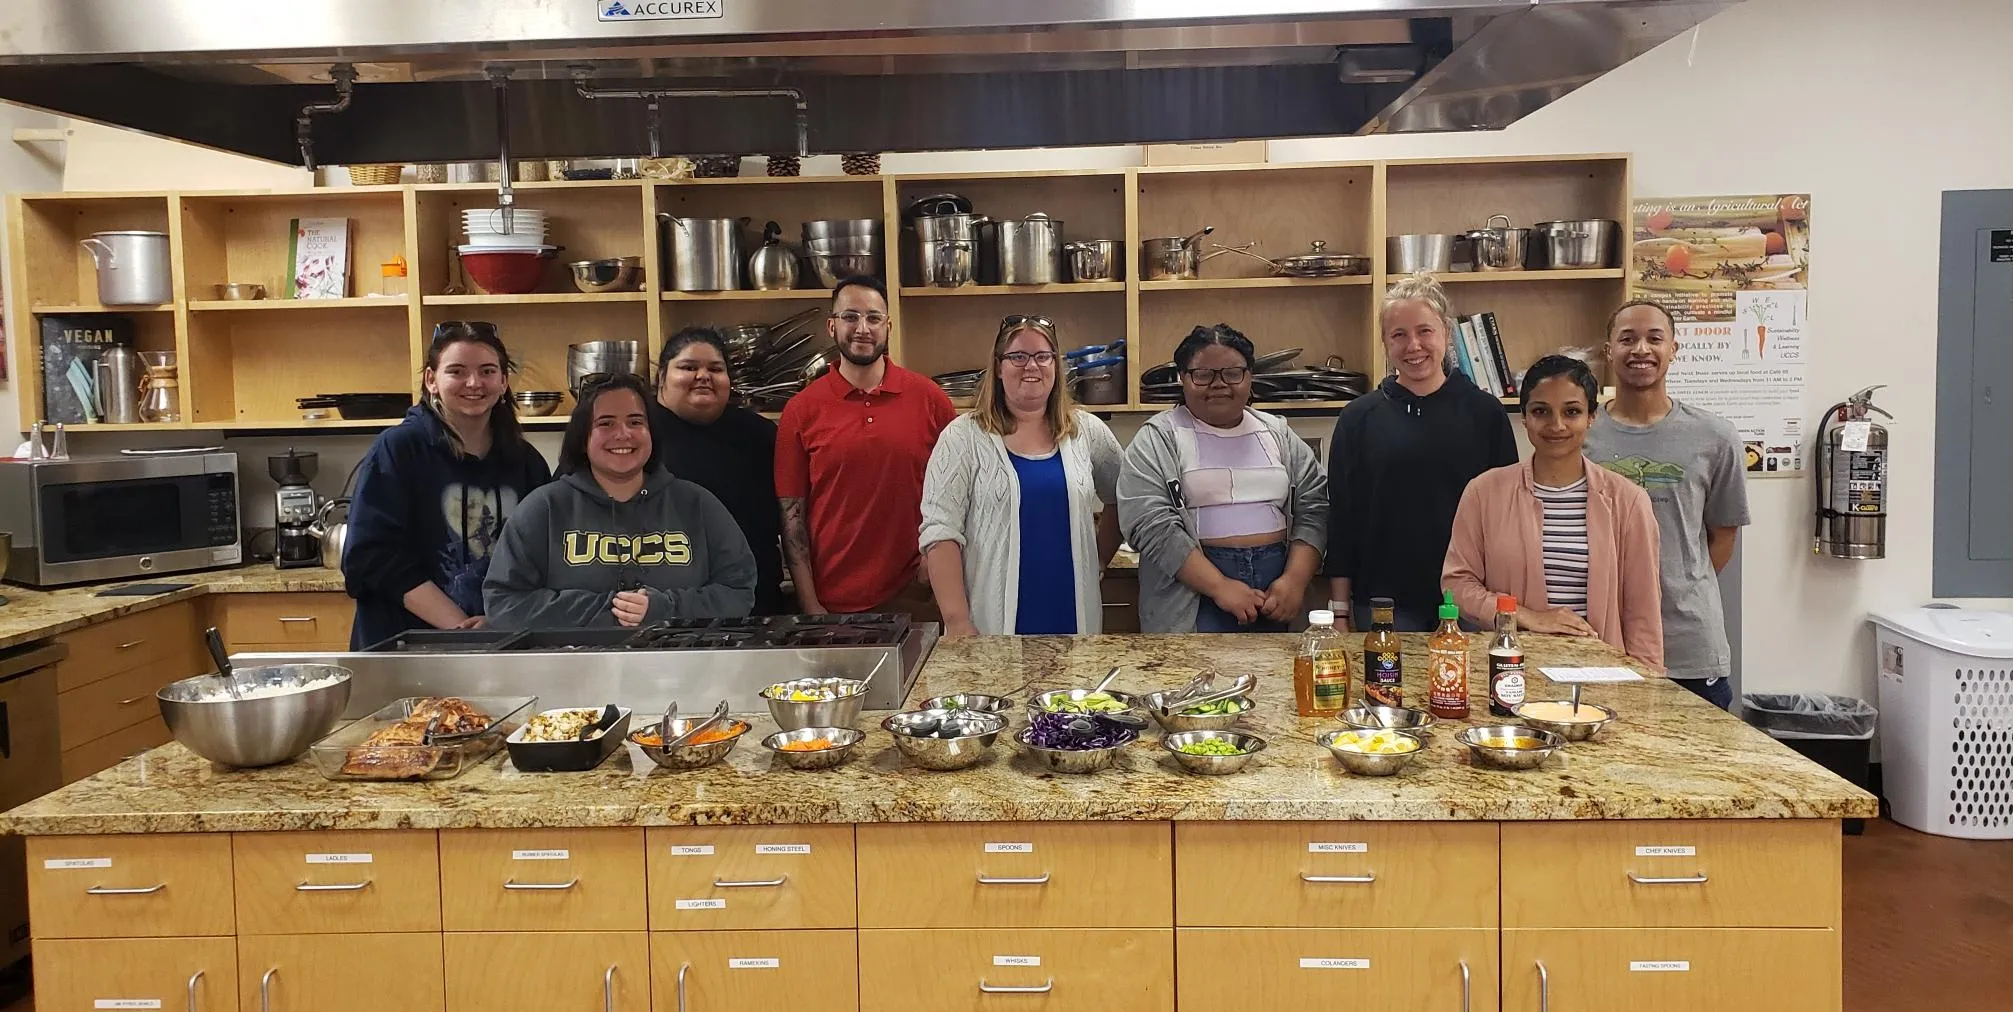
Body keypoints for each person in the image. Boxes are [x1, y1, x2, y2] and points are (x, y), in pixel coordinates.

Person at [483, 373, 756, 628]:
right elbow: (504, 604)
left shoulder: (698, 504)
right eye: (606, 423)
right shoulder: (543, 508)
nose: (623, 434)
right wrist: (611, 609)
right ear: (582, 437)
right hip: (573, 672)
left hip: (680, 670)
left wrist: (666, 607)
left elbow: (738, 593)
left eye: (636, 422)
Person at [1443, 355, 1664, 667]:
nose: (1556, 425)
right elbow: (1457, 584)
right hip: (1508, 671)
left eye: (1572, 412)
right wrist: (1526, 616)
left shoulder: (1628, 501)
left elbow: (1643, 613)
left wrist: (1650, 690)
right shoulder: (1484, 492)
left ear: (1591, 417)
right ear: (1524, 418)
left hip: (1600, 677)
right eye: (1540, 412)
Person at [1325, 273, 1518, 631]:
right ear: (1385, 342)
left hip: (1471, 600)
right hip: (1385, 604)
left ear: (1445, 332)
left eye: (1424, 331)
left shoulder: (1485, 413)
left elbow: (1507, 516)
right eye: (1399, 335)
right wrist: (1339, 611)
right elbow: (1341, 520)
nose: (1413, 345)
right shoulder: (1358, 419)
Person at [342, 321, 552, 649]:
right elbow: (372, 559)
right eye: (456, 371)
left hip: (498, 646)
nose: (474, 383)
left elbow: (543, 561)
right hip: (405, 649)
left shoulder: (526, 463)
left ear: (503, 382)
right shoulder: (399, 449)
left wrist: (501, 622)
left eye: (487, 371)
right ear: (431, 380)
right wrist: (461, 627)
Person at [1585, 300, 1751, 708]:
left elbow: (1722, 538)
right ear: (1609, 351)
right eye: (1627, 339)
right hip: (1601, 640)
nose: (1641, 349)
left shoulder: (1716, 437)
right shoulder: (1581, 435)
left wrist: (1675, 581)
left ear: (1674, 349)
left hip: (1689, 645)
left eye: (1654, 338)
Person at [919, 315, 1125, 637]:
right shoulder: (962, 438)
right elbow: (940, 533)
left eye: (1043, 356)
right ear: (999, 367)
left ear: (1056, 367)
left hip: (1074, 618)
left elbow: (1124, 496)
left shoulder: (1087, 431)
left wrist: (1097, 561)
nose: (1032, 366)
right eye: (1018, 356)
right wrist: (957, 621)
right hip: (989, 626)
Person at [1118, 323, 1328, 634]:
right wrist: (1219, 586)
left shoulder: (1278, 434)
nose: (1218, 384)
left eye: (1232, 373)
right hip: (1192, 594)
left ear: (1250, 376)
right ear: (1182, 378)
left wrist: (1295, 580)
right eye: (1202, 374)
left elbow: (1315, 507)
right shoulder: (1158, 439)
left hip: (1277, 593)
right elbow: (1151, 523)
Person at [776, 276, 957, 616]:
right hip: (833, 602)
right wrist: (810, 605)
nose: (863, 328)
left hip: (919, 595)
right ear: (832, 326)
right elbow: (791, 518)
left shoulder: (930, 399)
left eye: (873, 318)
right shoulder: (800, 410)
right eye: (850, 317)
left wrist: (934, 561)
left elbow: (961, 492)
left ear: (888, 326)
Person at [649, 326, 787, 615]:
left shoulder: (758, 434)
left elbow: (790, 516)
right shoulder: (633, 432)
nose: (703, 376)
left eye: (716, 368)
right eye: (688, 367)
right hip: (659, 611)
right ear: (662, 375)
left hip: (753, 607)